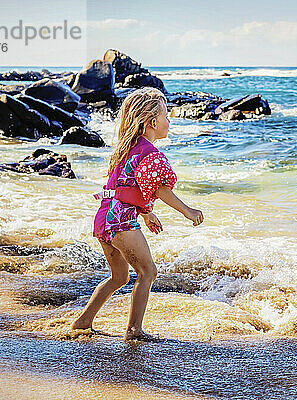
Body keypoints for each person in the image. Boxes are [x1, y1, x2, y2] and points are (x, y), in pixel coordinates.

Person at [71, 87, 204, 341]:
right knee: (148, 273)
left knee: (119, 276)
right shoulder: (149, 153)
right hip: (121, 222)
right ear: (152, 122)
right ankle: (134, 331)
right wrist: (187, 211)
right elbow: (159, 188)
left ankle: (83, 321)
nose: (169, 121)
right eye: (166, 116)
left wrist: (146, 213)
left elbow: (127, 187)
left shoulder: (127, 148)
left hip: (105, 219)